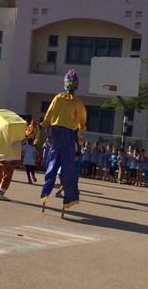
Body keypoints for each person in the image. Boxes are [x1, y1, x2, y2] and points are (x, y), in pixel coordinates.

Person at [39, 69, 87, 214]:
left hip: (57, 136)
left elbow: (50, 112)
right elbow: (82, 120)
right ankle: (67, 200)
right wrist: (81, 126)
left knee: (52, 166)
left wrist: (46, 122)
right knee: (67, 171)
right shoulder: (77, 102)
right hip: (67, 137)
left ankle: (45, 195)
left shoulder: (58, 98)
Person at [0, 109, 27, 201]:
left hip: (0, 155)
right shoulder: (12, 135)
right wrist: (24, 141)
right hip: (10, 158)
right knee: (7, 176)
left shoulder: (1, 132)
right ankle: (0, 193)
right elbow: (15, 145)